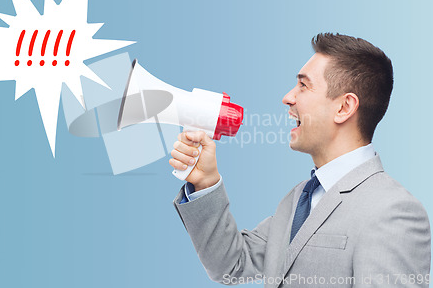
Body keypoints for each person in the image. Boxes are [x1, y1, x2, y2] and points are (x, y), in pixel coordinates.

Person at [169, 33, 431, 287]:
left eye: (303, 85)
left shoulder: (393, 212)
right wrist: (205, 183)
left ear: (344, 108)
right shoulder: (297, 201)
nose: (288, 97)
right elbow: (232, 265)